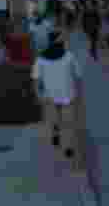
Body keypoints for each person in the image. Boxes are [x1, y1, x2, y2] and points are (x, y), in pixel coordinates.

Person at [31, 30, 83, 161]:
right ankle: (68, 146)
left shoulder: (41, 59)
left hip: (50, 97)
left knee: (59, 121)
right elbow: (78, 76)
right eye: (62, 40)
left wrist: (38, 94)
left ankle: (59, 136)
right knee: (68, 123)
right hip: (67, 95)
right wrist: (79, 93)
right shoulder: (69, 56)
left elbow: (36, 79)